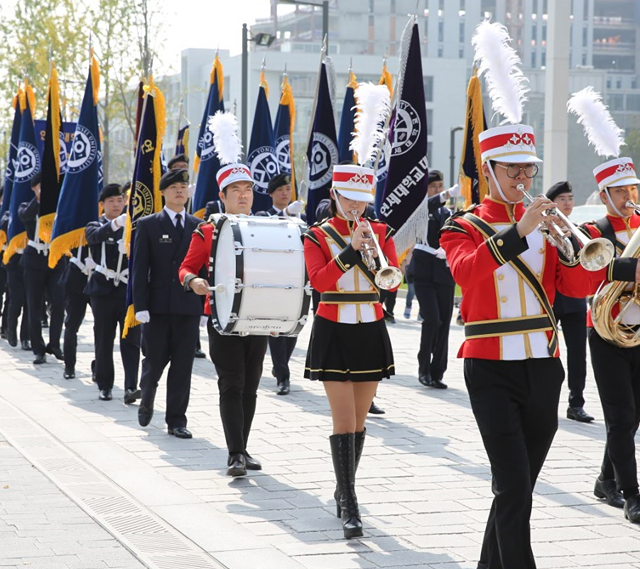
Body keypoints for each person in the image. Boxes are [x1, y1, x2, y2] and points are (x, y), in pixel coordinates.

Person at [440, 122, 593, 568]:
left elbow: (579, 285)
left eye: (529, 170)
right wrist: (519, 232)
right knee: (511, 483)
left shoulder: (548, 224)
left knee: (519, 486)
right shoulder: (462, 225)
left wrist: (569, 253)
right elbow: (465, 274)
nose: (523, 180)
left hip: (544, 365)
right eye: (512, 171)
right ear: (488, 170)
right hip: (490, 367)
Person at [303, 163, 398, 539]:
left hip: (370, 327)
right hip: (333, 327)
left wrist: (376, 253)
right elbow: (319, 281)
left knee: (360, 422)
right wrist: (351, 250)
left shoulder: (382, 232)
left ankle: (344, 489)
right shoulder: (317, 235)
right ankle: (351, 505)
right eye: (349, 198)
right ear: (335, 197)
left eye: (363, 198)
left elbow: (390, 281)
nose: (357, 205)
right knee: (343, 422)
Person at [180, 114, 268, 477]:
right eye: (237, 191)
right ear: (223, 196)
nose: (244, 195)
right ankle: (234, 453)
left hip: (259, 317)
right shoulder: (208, 230)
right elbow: (185, 268)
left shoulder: (267, 227)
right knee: (232, 382)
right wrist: (194, 283)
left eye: (248, 189)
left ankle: (243, 449)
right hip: (222, 316)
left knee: (251, 386)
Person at [580, 158, 640, 521]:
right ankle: (633, 495)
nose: (628, 196)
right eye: (620, 191)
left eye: (632, 189)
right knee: (620, 417)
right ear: (604, 195)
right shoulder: (594, 229)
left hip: (639, 331)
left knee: (634, 416)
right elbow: (586, 270)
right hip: (605, 332)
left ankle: (606, 479)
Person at [133, 169, 202, 439]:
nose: (179, 191)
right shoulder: (149, 224)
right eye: (173, 187)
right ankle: (147, 395)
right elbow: (140, 268)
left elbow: (202, 267)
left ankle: (176, 420)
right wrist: (140, 306)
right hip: (158, 307)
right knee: (154, 362)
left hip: (187, 306)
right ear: (163, 192)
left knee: (183, 366)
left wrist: (204, 304)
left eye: (183, 187)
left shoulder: (198, 225)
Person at [84, 183, 141, 402]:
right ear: (102, 205)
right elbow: (94, 236)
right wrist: (115, 225)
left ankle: (130, 387)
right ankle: (105, 384)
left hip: (127, 289)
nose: (116, 205)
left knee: (131, 339)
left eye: (120, 201)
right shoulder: (95, 224)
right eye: (111, 201)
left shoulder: (134, 225)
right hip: (103, 289)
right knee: (104, 338)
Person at [545, 181, 593, 423]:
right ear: (552, 203)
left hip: (574, 300)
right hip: (550, 299)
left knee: (577, 353)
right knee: (547, 351)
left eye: (570, 198)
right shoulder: (542, 229)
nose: (567, 203)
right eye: (562, 199)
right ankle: (544, 399)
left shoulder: (580, 230)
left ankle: (577, 402)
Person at [256, 172, 305, 396]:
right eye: (280, 190)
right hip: (273, 279)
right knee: (276, 328)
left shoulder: (300, 218)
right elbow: (265, 233)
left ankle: (280, 366)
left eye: (287, 190)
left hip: (296, 279)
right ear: (271, 194)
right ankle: (283, 376)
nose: (285, 193)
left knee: (294, 327)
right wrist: (285, 214)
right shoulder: (262, 214)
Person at [411, 170, 460, 389]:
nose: (438, 190)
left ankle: (438, 371)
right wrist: (444, 195)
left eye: (440, 186)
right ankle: (423, 367)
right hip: (424, 270)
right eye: (433, 187)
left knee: (444, 322)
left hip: (444, 270)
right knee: (432, 319)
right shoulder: (419, 208)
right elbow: (426, 206)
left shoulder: (449, 213)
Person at [18, 173, 65, 365]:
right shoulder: (27, 206)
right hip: (34, 259)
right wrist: (39, 200)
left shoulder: (59, 207)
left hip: (55, 259)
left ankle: (54, 343)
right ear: (34, 188)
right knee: (34, 306)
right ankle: (38, 348)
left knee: (59, 303)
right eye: (41, 187)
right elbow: (25, 215)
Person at [166, 153, 206, 360]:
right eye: (177, 167)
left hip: (189, 279)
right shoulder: (168, 195)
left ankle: (195, 343)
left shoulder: (195, 216)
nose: (182, 170)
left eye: (185, 167)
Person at [59, 243, 93, 379]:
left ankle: (100, 367)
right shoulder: (75, 223)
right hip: (76, 278)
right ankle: (69, 366)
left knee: (103, 328)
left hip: (99, 278)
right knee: (72, 325)